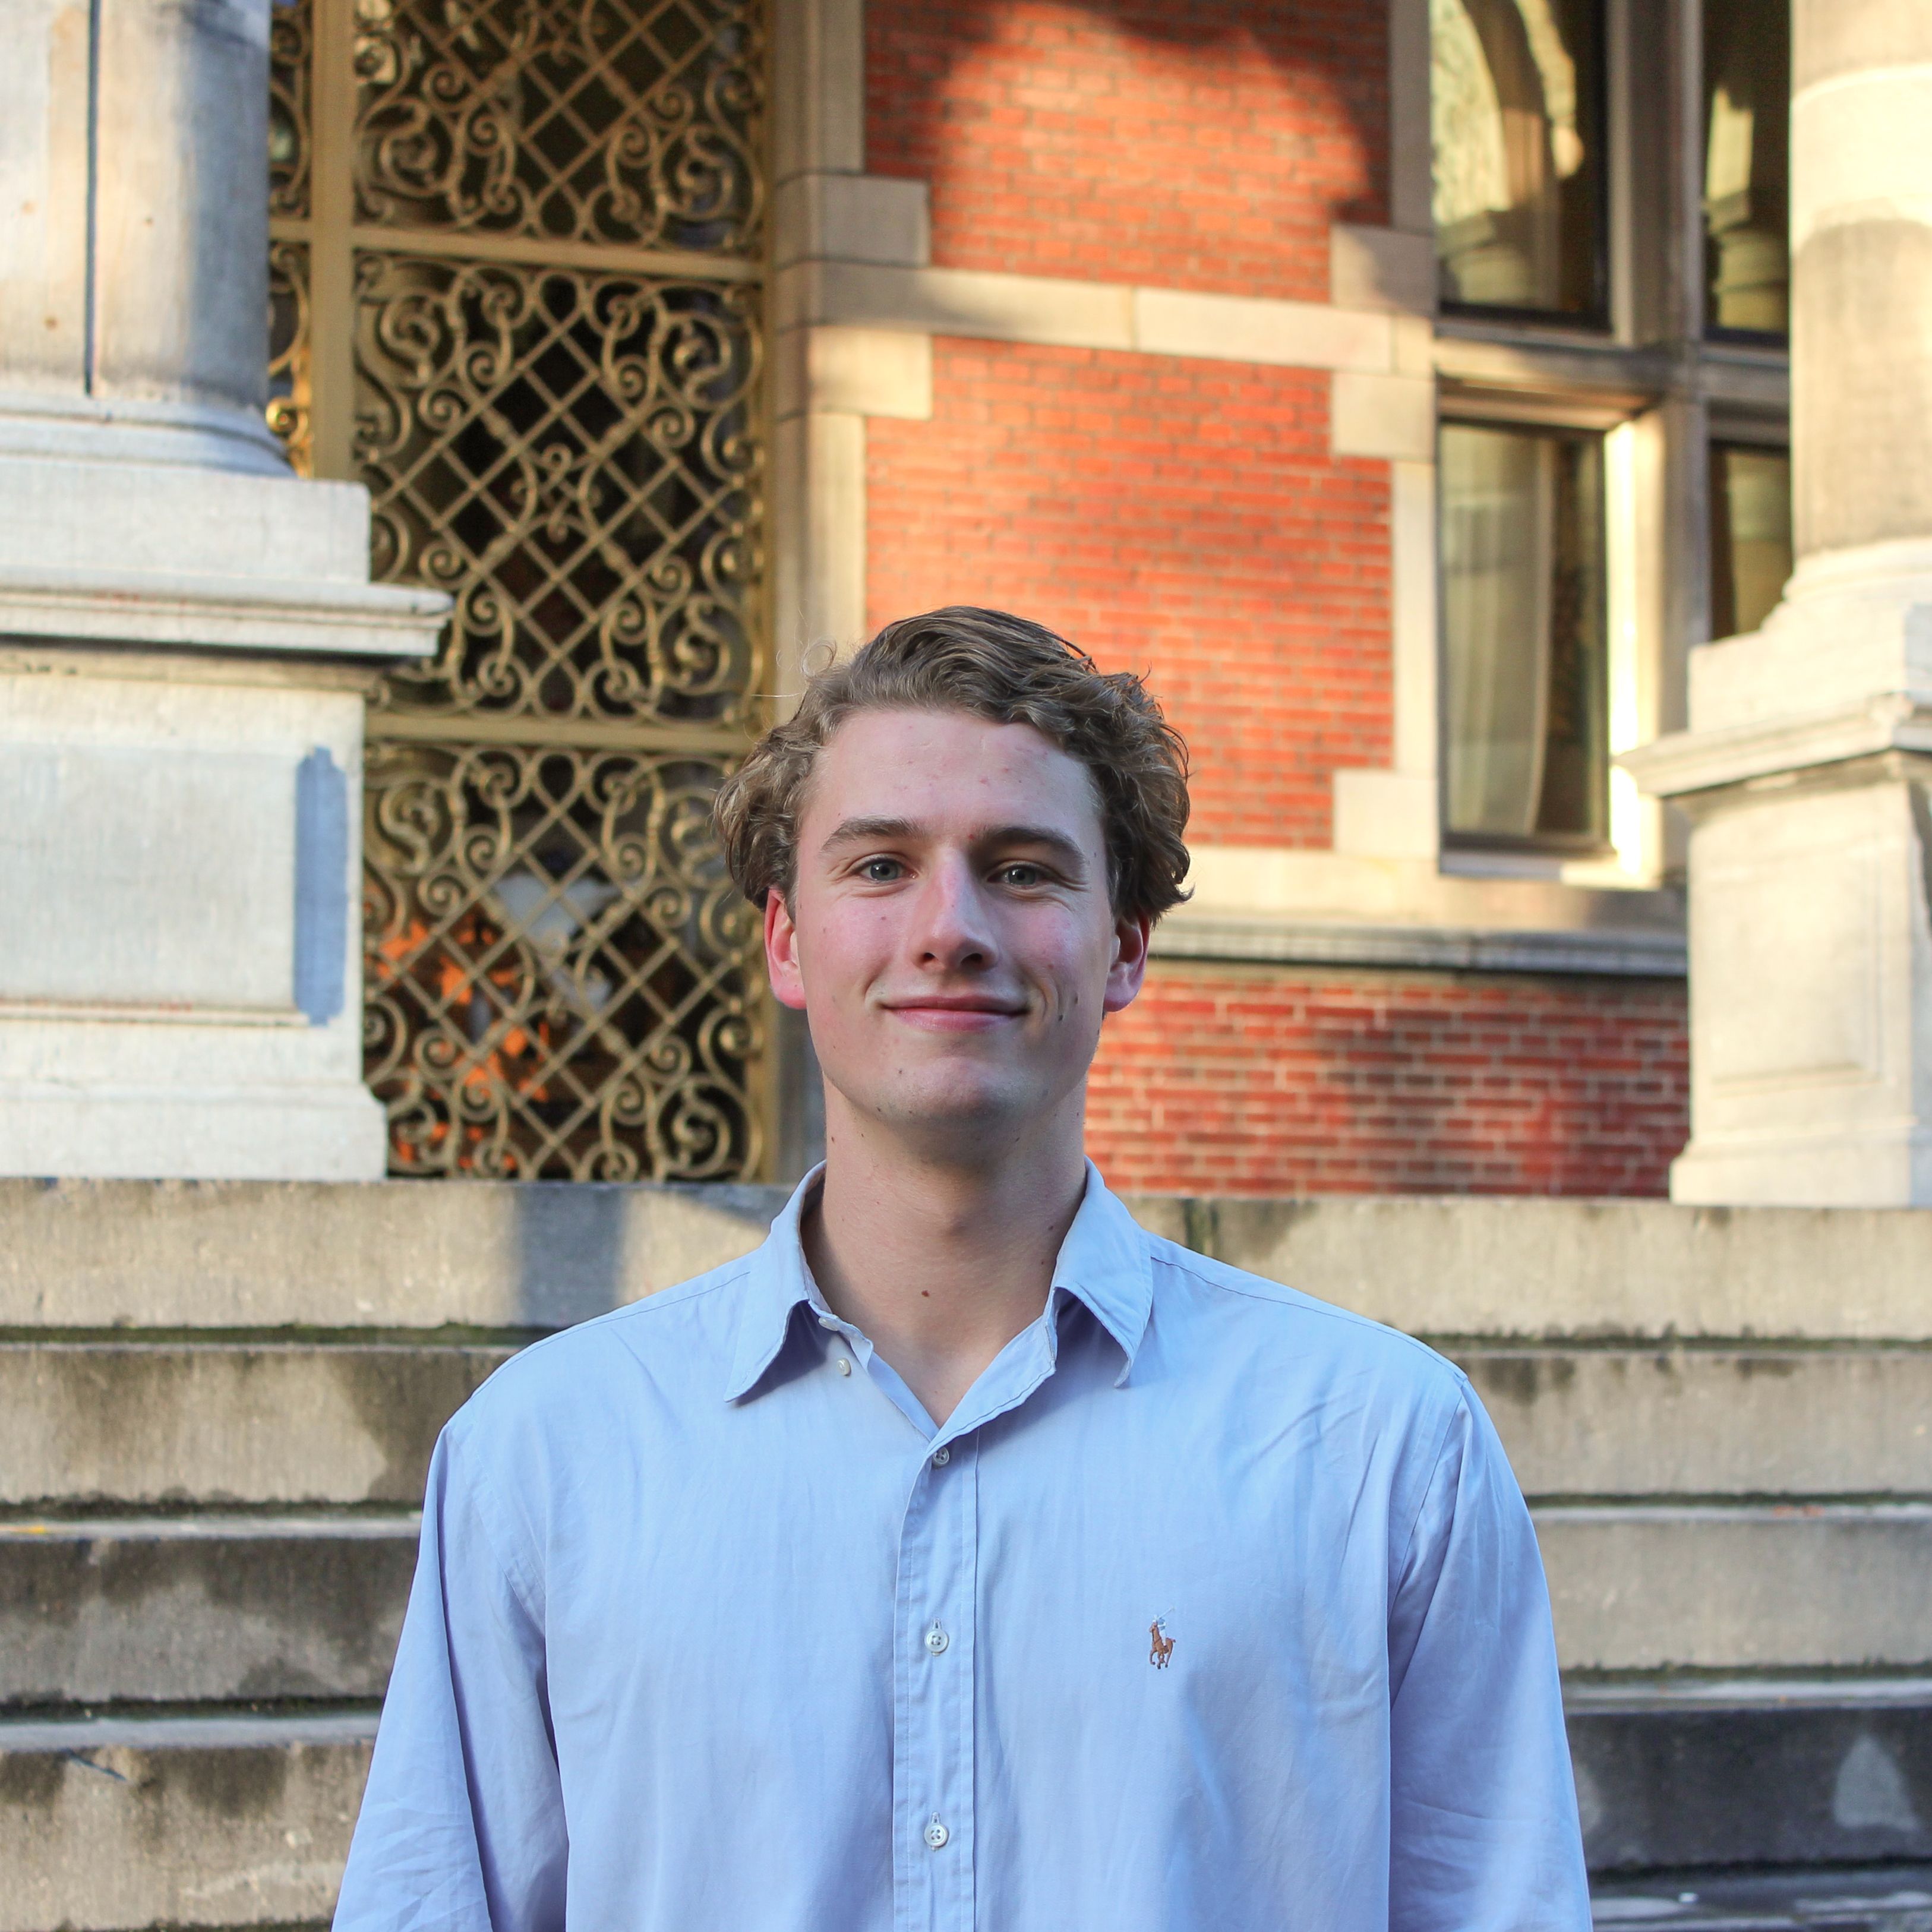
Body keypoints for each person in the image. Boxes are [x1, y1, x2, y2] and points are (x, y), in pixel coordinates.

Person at [333, 607, 1592, 1931]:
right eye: (881, 865)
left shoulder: (1382, 1452)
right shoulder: (543, 1460)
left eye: (1024, 869)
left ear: (1125, 945)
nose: (950, 927)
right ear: (785, 941)